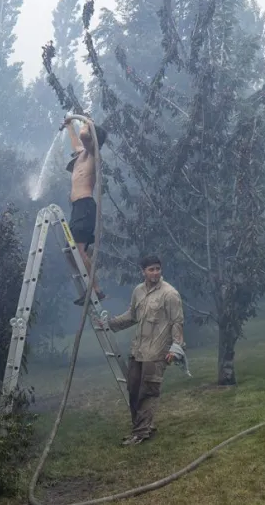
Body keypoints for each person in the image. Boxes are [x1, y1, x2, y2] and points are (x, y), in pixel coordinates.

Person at [95, 255, 185, 446]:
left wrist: (175, 349)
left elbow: (177, 321)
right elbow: (132, 315)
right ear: (143, 271)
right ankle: (144, 426)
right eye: (151, 269)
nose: (155, 273)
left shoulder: (170, 294)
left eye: (157, 269)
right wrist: (109, 323)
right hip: (138, 350)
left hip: (157, 351)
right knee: (133, 389)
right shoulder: (138, 291)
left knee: (148, 392)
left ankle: (140, 433)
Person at [62, 116, 109, 305]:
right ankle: (90, 286)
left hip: (86, 206)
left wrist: (85, 121)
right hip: (77, 208)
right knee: (70, 251)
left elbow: (83, 135)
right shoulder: (81, 155)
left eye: (88, 137)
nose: (83, 139)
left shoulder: (93, 154)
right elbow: (76, 140)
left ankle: (95, 290)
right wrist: (69, 125)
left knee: (78, 251)